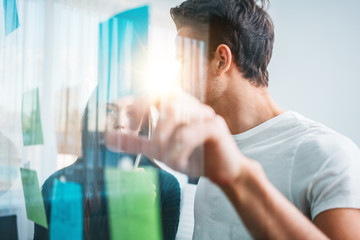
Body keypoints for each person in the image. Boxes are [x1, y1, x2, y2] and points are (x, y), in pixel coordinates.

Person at [106, 0, 360, 239]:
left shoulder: (328, 154)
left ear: (221, 60)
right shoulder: (211, 154)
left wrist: (238, 177)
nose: (177, 77)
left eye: (182, 61)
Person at [34, 88, 181, 240]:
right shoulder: (56, 186)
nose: (120, 123)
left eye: (131, 114)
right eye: (109, 111)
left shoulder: (165, 186)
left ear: (141, 125)